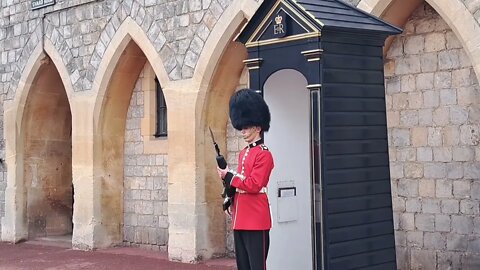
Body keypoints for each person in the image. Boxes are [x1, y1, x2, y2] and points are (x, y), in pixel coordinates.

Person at [217, 88, 274, 270]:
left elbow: (254, 184)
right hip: (240, 216)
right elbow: (240, 180)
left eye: (246, 127)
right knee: (244, 265)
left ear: (257, 127)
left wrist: (229, 176)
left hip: (256, 218)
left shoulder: (264, 155)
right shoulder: (244, 153)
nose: (243, 131)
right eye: (241, 127)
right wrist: (229, 198)